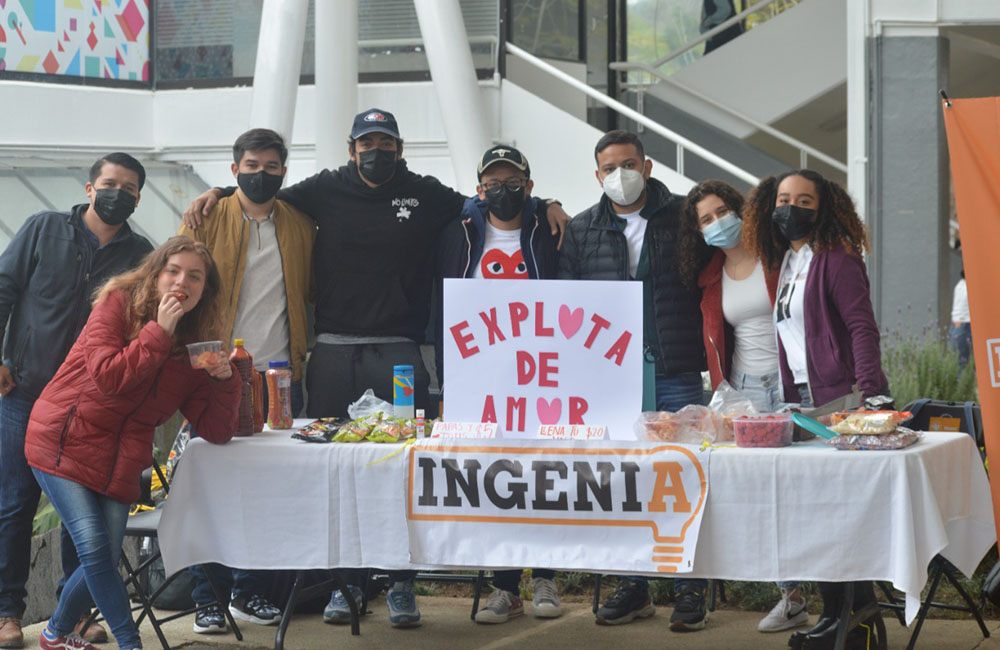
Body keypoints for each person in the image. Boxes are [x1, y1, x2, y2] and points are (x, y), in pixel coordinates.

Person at [181, 108, 568, 630]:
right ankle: (346, 586)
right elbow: (261, 197)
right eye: (367, 143)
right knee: (329, 472)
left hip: (401, 353)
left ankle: (400, 585)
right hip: (334, 354)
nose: (376, 152)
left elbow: (489, 203)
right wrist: (217, 197)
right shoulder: (322, 189)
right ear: (350, 149)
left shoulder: (425, 192)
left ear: (400, 149)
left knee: (403, 471)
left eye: (386, 144)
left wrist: (546, 203)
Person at [23, 235, 241, 650]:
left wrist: (227, 383)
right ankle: (131, 643)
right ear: (156, 273)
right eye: (173, 271)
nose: (182, 282)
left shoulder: (198, 341)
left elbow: (216, 430)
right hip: (62, 438)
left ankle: (54, 632)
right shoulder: (118, 304)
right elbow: (110, 377)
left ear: (205, 289)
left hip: (120, 458)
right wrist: (159, 330)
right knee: (93, 544)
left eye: (195, 277)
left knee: (101, 559)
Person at [0, 153, 154, 649]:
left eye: (129, 188)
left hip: (89, 410)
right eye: (109, 184)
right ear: (89, 188)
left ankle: (76, 612)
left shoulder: (141, 256)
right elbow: (2, 290)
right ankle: (6, 612)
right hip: (23, 392)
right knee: (14, 504)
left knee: (77, 515)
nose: (118, 193)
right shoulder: (44, 229)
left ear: (138, 197)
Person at [558, 130, 708, 631]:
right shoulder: (582, 230)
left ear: (646, 167)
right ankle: (632, 585)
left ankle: (690, 590)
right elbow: (568, 308)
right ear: (597, 175)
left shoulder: (685, 218)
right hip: (612, 382)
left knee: (683, 477)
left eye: (627, 164)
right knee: (620, 484)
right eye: (608, 168)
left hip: (675, 370)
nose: (618, 175)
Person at [743, 169, 888, 650]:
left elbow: (862, 327)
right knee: (820, 513)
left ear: (823, 208)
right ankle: (841, 616)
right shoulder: (788, 260)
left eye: (804, 200)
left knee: (837, 513)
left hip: (840, 400)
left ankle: (853, 620)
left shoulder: (838, 259)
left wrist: (873, 394)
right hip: (801, 400)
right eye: (783, 199)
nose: (791, 208)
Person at [178, 128, 314, 633]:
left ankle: (248, 590)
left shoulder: (300, 224)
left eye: (271, 166)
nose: (261, 175)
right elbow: (180, 279)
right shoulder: (207, 217)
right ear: (233, 170)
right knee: (208, 488)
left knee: (267, 489)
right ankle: (205, 597)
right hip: (216, 372)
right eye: (250, 166)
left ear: (284, 170)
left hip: (278, 375)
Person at [437, 144, 561, 625]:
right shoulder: (459, 233)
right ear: (479, 189)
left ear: (529, 187)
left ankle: (546, 576)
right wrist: (449, 379)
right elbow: (443, 304)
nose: (502, 191)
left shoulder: (549, 231)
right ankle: (505, 587)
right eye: (493, 183)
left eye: (513, 183)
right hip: (481, 376)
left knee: (546, 473)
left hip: (544, 374)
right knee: (499, 479)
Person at [677, 180, 807, 633]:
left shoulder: (780, 254)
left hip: (796, 388)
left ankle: (837, 592)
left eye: (721, 211)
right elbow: (717, 341)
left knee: (808, 489)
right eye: (706, 219)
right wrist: (721, 392)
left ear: (740, 209)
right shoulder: (709, 276)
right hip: (746, 393)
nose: (717, 223)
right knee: (760, 496)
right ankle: (791, 596)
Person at [950, 270, 972, 370]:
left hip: (956, 327)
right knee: (965, 366)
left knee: (961, 364)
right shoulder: (969, 286)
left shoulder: (960, 285)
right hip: (965, 327)